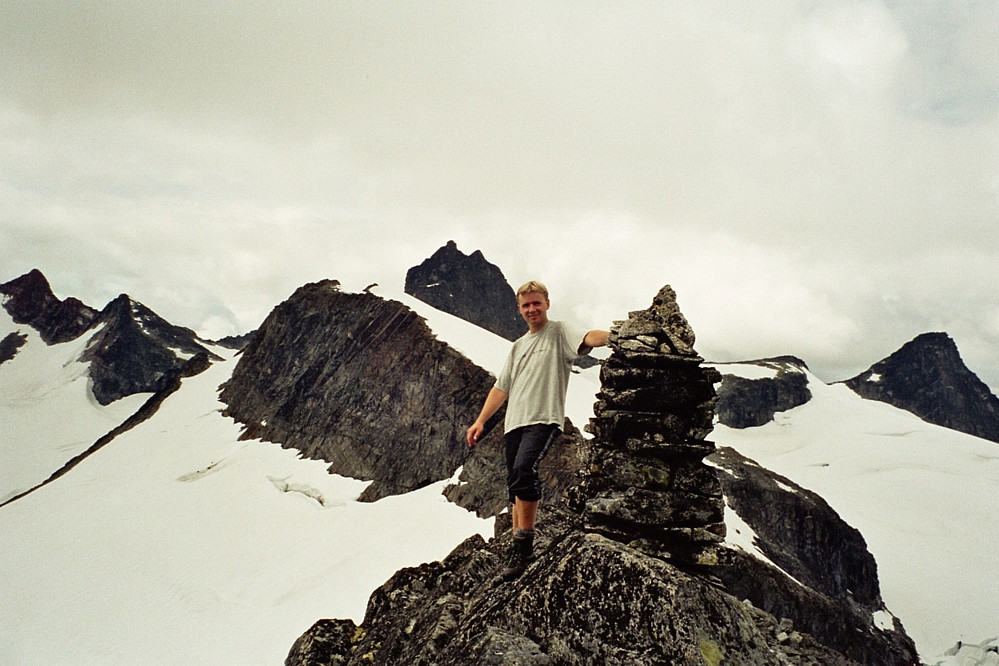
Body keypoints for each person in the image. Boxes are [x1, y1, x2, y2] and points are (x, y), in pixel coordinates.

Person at [466, 280, 609, 580]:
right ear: (519, 309)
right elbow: (500, 387)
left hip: (543, 419)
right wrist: (480, 421)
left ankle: (524, 545)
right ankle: (516, 548)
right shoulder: (518, 346)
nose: (532, 309)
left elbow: (588, 338)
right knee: (514, 486)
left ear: (547, 303)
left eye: (537, 303)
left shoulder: (558, 332)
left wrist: (615, 337)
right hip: (514, 423)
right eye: (526, 305)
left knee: (523, 470)